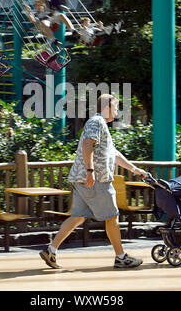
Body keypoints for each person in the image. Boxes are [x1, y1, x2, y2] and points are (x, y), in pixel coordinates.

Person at [39, 94, 148, 269]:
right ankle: (120, 257)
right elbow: (87, 144)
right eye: (115, 107)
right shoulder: (96, 122)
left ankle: (51, 250)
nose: (117, 110)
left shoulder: (99, 124)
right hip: (96, 180)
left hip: (83, 179)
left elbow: (114, 154)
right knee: (112, 217)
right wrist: (91, 171)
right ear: (107, 107)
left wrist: (135, 169)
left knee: (78, 217)